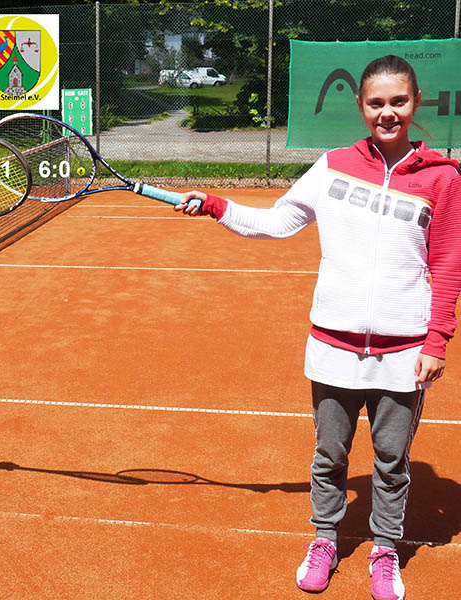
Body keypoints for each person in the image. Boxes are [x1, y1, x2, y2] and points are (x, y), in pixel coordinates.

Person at [175, 55, 461, 600]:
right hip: (332, 344)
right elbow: (279, 222)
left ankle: (383, 549)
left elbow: (448, 261)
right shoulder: (331, 166)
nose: (387, 113)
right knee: (330, 455)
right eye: (376, 103)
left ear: (416, 102)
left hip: (404, 352)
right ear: (360, 106)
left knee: (391, 461)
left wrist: (437, 340)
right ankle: (325, 539)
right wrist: (216, 205)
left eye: (398, 101)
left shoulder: (442, 177)